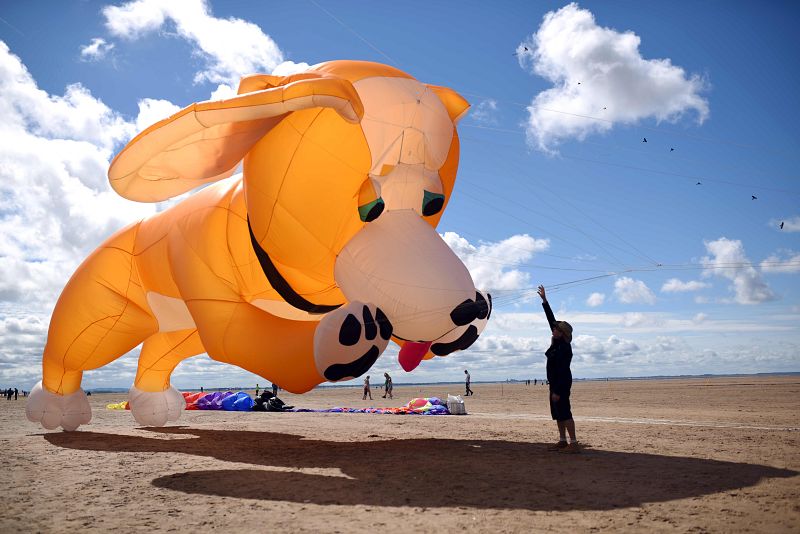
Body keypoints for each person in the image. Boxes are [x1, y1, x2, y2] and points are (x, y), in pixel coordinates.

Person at [537, 285, 579, 453]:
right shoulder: (557, 342)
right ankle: (562, 440)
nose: (553, 329)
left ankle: (574, 443)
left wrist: (558, 390)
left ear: (562, 334)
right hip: (554, 383)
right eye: (554, 328)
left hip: (561, 384)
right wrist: (545, 301)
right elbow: (551, 320)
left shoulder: (564, 348)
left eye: (556, 329)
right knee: (557, 413)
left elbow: (562, 371)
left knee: (565, 412)